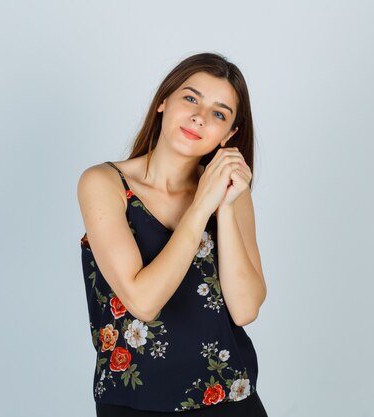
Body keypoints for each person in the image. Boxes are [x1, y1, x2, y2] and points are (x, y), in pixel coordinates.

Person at [77, 52, 268, 416]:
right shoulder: (104, 183)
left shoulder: (230, 194)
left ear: (229, 135)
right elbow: (143, 302)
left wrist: (224, 205)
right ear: (163, 101)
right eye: (191, 98)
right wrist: (200, 206)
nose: (200, 116)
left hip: (232, 398)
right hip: (135, 402)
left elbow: (244, 309)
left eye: (219, 113)